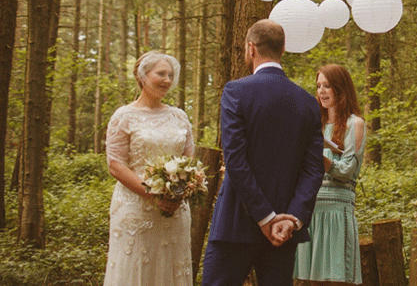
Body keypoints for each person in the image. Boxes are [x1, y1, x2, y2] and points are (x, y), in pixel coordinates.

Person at [202, 19, 325, 286]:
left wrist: (264, 216)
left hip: (236, 223)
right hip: (284, 231)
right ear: (282, 51)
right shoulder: (307, 102)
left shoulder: (236, 91)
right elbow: (315, 169)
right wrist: (291, 218)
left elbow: (235, 160)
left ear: (251, 48)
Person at [103, 51, 194, 286]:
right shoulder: (124, 116)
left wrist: (178, 194)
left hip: (175, 210)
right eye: (160, 74)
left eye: (170, 75)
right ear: (142, 76)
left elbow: (189, 161)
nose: (167, 80)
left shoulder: (180, 117)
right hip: (135, 209)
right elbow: (115, 165)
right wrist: (152, 193)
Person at [294, 63, 366, 286]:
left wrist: (322, 159)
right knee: (306, 281)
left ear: (341, 88)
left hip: (336, 213)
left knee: (336, 281)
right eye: (318, 86)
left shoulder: (355, 123)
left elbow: (346, 171)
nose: (321, 91)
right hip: (311, 211)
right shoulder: (315, 124)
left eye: (327, 86)